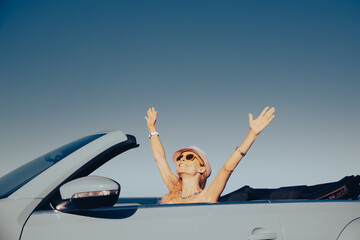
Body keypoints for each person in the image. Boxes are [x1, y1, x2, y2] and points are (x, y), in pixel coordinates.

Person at [145, 106, 275, 204]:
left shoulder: (207, 196)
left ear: (202, 169)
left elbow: (227, 168)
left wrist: (252, 134)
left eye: (189, 157)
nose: (182, 159)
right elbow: (160, 159)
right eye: (179, 158)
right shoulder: (173, 190)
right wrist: (152, 129)